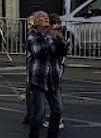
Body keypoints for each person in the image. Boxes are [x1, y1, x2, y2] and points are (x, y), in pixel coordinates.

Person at [24, 10, 72, 138]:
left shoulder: (53, 34)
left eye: (47, 17)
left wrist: (60, 39)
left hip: (53, 79)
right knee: (39, 113)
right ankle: (33, 135)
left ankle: (52, 135)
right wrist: (50, 38)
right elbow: (37, 50)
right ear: (36, 21)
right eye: (42, 17)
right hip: (38, 78)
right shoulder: (32, 35)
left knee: (57, 110)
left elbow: (64, 51)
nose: (46, 19)